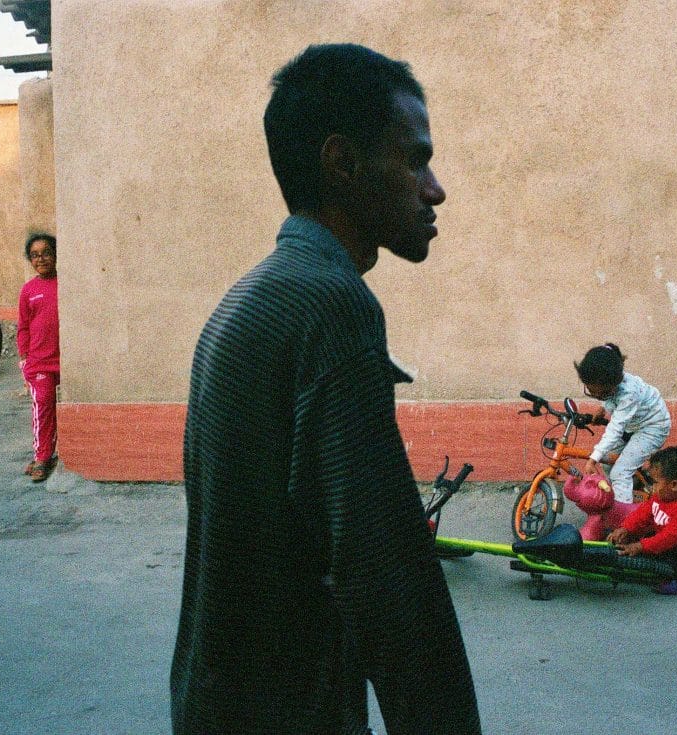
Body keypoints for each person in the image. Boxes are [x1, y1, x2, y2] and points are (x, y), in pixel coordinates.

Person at [171, 44, 481, 735]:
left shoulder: (250, 296)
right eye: (415, 160)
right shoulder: (331, 307)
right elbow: (386, 573)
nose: (434, 189)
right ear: (342, 163)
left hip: (216, 701)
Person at [574, 342, 671, 540]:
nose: (596, 396)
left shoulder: (629, 393)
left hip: (652, 427)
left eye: (601, 394)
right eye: (591, 392)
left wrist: (593, 458)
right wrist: (603, 407)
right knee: (610, 462)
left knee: (620, 472)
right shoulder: (610, 385)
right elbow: (610, 401)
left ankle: (624, 526)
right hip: (633, 425)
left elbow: (615, 429)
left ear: (614, 385)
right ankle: (626, 491)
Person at [608, 446, 677, 595]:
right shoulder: (661, 497)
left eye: (655, 482)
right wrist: (625, 528)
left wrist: (639, 546)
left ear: (674, 485)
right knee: (648, 537)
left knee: (675, 552)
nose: (652, 487)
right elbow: (642, 514)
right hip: (668, 537)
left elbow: (666, 539)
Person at [16, 233, 59, 483]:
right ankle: (42, 456)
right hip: (39, 363)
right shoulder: (28, 291)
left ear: (55, 255)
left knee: (60, 407)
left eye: (46, 253)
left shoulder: (65, 284)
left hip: (64, 361)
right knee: (43, 404)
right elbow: (23, 328)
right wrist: (24, 358)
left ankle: (53, 452)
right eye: (34, 255)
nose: (40, 259)